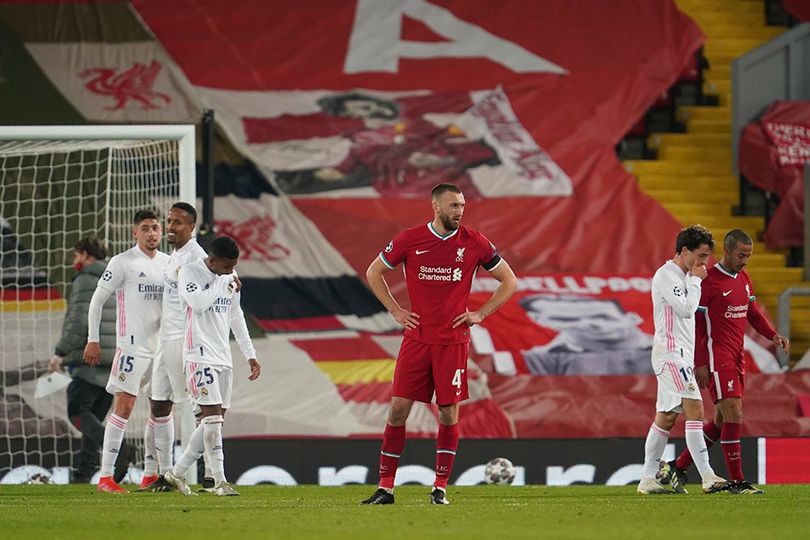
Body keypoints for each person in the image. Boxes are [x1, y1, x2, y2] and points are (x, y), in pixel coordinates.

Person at [361, 183, 517, 505]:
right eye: (453, 206)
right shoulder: (409, 239)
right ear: (435, 207)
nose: (459, 211)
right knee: (398, 410)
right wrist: (395, 310)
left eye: (461, 206)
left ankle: (440, 487)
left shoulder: (474, 242)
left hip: (453, 342)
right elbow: (374, 272)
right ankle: (386, 487)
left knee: (448, 414)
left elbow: (509, 280)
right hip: (416, 339)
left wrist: (481, 313)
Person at [660, 229, 790, 495]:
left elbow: (753, 313)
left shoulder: (743, 278)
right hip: (717, 358)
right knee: (735, 415)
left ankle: (677, 466)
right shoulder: (709, 282)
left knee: (721, 422)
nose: (745, 261)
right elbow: (696, 325)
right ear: (727, 252)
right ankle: (738, 482)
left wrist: (773, 336)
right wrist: (700, 362)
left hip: (737, 356)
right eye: (741, 255)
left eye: (749, 256)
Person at [161, 236, 261, 497]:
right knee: (212, 420)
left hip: (223, 357)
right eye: (227, 267)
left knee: (212, 423)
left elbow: (235, 316)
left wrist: (249, 353)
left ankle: (175, 474)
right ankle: (220, 482)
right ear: (212, 260)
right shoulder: (189, 272)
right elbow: (198, 303)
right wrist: (224, 282)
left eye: (233, 267)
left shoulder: (226, 275)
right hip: (198, 355)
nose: (231, 271)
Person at [637, 225, 727, 495]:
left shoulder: (684, 278)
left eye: (707, 258)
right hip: (671, 355)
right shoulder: (667, 275)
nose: (704, 263)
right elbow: (686, 310)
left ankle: (647, 479)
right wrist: (696, 281)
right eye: (700, 256)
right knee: (696, 410)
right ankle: (708, 477)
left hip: (681, 356)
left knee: (665, 418)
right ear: (684, 251)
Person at [84, 210, 169, 493]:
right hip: (132, 347)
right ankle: (106, 477)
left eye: (155, 227)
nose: (151, 233)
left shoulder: (170, 264)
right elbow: (97, 301)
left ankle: (150, 474)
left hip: (161, 348)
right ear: (135, 233)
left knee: (159, 409)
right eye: (145, 228)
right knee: (124, 407)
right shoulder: (123, 262)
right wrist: (92, 339)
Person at [47, 237, 130, 483]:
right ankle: (84, 471)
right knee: (92, 419)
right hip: (112, 357)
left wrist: (60, 351)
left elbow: (79, 319)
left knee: (77, 411)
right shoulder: (115, 278)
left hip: (89, 358)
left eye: (76, 255)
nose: (74, 261)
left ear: (84, 254)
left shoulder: (85, 280)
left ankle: (119, 450)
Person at [138, 202, 208, 490]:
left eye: (177, 222)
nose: (170, 226)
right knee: (159, 404)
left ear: (191, 227)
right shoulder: (173, 257)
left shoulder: (197, 256)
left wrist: (232, 281)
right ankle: (164, 474)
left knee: (204, 411)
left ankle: (210, 472)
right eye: (169, 221)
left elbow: (221, 282)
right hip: (165, 340)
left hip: (185, 341)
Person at [520, 295, 653, 375]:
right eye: (566, 319)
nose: (590, 324)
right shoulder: (538, 358)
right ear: (545, 323)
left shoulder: (669, 348)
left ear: (632, 318)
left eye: (602, 317)